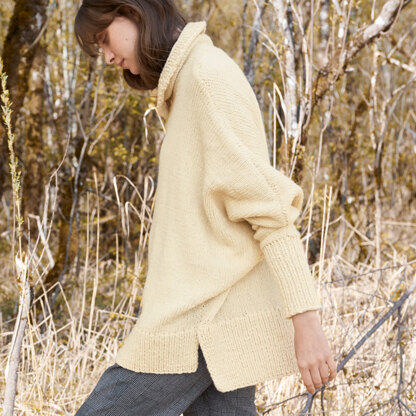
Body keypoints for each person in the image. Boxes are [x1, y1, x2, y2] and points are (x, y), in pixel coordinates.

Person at [73, 1, 338, 415]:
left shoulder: (206, 79)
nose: (106, 56)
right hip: (215, 328)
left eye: (105, 38)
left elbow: (268, 209)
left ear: (135, 12)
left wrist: (306, 321)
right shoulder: (187, 85)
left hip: (199, 322)